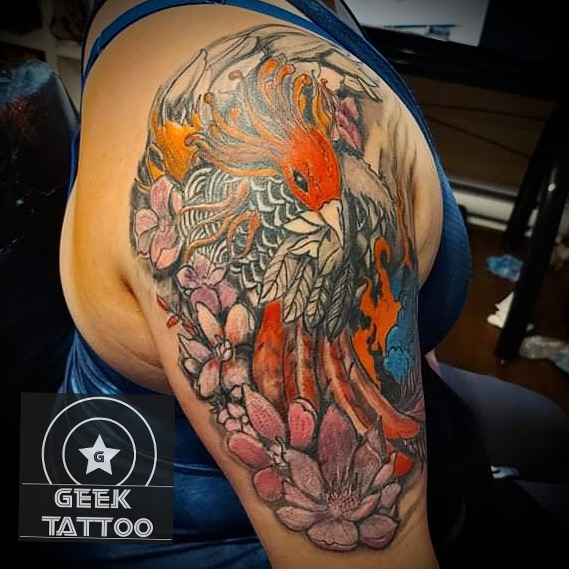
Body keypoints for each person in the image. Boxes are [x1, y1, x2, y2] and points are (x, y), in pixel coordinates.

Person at [43, 1, 543, 567]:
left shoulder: (190, 39)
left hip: (88, 442)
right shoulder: (240, 115)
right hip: (165, 524)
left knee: (547, 429)